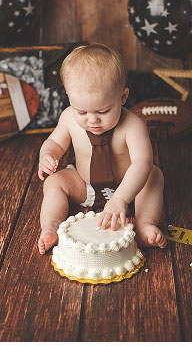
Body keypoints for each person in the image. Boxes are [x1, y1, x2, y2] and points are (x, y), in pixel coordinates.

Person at [36, 44, 165, 253]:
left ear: (123, 97)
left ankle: (144, 225)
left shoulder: (133, 125)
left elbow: (143, 162)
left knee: (154, 176)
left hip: (128, 188)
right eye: (82, 111)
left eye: (103, 111)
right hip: (84, 184)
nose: (92, 119)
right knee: (54, 183)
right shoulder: (69, 117)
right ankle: (51, 227)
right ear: (69, 98)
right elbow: (56, 142)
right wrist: (47, 154)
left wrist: (121, 199)